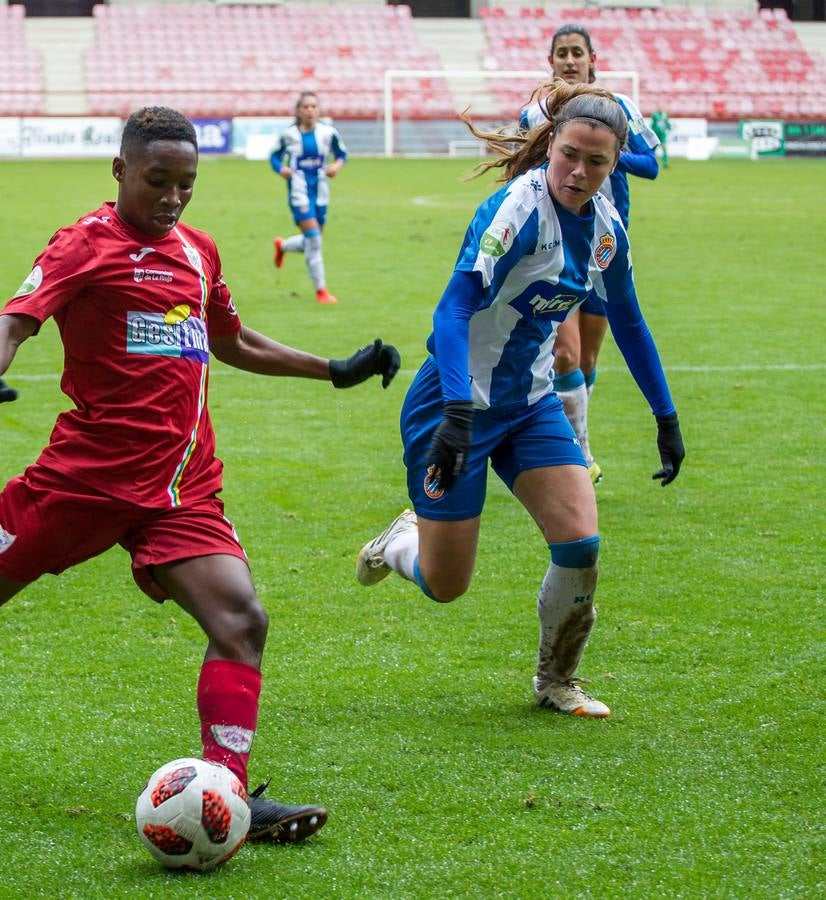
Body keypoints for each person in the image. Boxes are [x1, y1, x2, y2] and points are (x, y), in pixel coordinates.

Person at [0, 107, 401, 845]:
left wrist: (332, 370)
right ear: (120, 171)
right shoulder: (86, 244)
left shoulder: (199, 252)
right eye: (158, 181)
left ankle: (226, 796)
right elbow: (12, 322)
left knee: (241, 622)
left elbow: (231, 340)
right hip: (83, 481)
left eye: (186, 184)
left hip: (178, 490)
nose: (173, 197)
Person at [354, 82, 684, 720]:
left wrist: (665, 416)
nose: (579, 172)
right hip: (453, 406)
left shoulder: (607, 230)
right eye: (569, 155)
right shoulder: (516, 210)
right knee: (447, 586)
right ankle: (399, 543)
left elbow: (632, 322)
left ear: (616, 166)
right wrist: (455, 412)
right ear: (550, 145)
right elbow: (452, 313)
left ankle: (556, 680)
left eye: (597, 162)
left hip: (531, 403)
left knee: (581, 542)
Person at [520, 25, 660, 484]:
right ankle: (580, 455)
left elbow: (653, 165)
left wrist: (609, 155)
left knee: (587, 362)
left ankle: (577, 437)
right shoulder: (536, 112)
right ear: (551, 61)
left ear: (592, 59)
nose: (569, 60)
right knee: (564, 353)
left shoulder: (621, 109)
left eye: (576, 52)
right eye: (561, 53)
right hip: (552, 249)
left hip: (604, 251)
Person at [270, 92, 348, 305]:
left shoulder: (328, 133)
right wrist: (281, 169)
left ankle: (283, 246)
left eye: (314, 106)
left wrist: (336, 167)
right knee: (314, 240)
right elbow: (273, 157)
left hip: (321, 192)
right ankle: (321, 291)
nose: (310, 110)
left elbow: (342, 154)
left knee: (313, 241)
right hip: (299, 192)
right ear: (298, 111)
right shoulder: (289, 135)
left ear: (319, 109)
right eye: (305, 106)